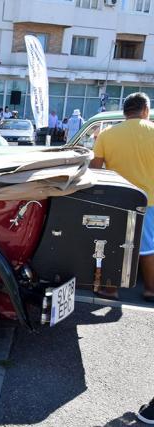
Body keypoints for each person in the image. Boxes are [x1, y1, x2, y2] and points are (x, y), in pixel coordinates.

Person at [90, 92, 154, 302]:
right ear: (145, 110)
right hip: (150, 200)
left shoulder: (107, 135)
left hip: (118, 199)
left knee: (115, 243)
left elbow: (95, 169)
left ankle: (110, 289)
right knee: (147, 247)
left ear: (125, 112)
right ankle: (151, 290)